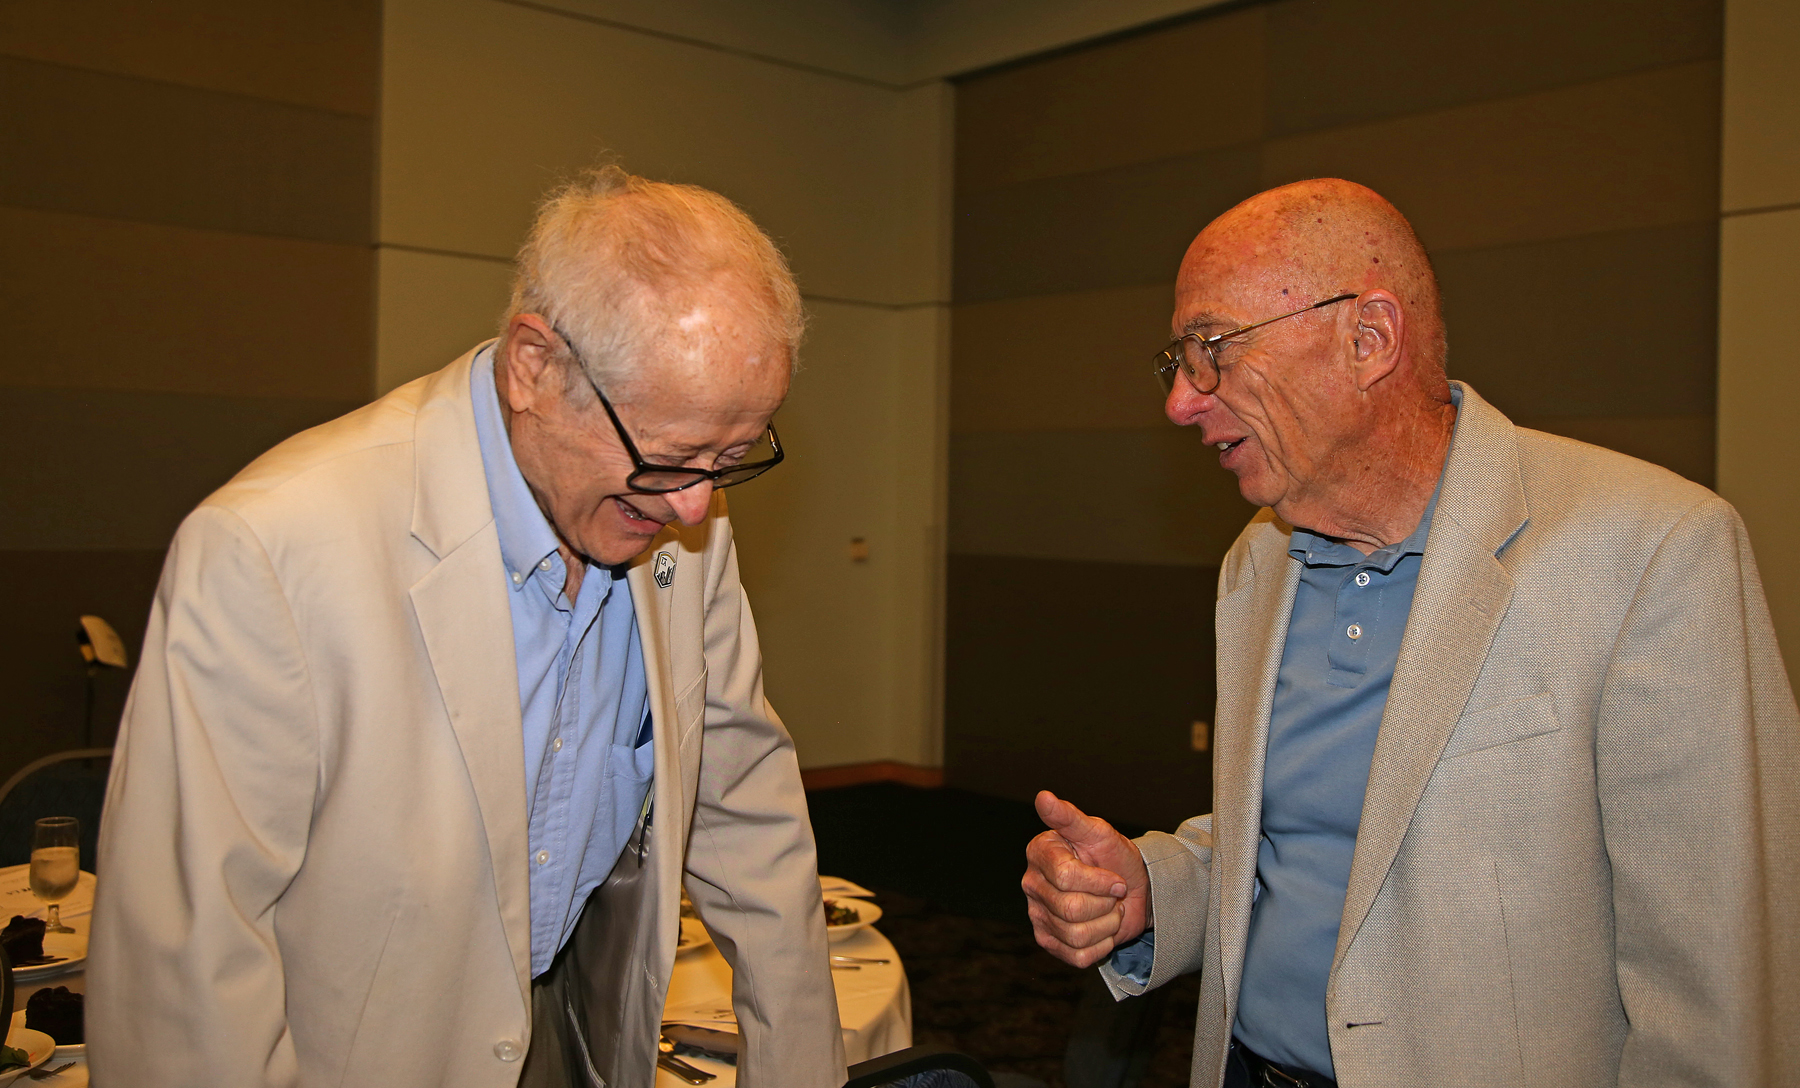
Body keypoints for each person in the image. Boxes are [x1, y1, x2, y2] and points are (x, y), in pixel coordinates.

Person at [1022, 178, 1799, 1088]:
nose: (1183, 403)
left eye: (1212, 351)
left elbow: (1720, 980)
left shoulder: (1651, 550)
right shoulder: (1258, 564)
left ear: (1368, 339)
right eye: (1180, 362)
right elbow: (1296, 846)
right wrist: (1158, 889)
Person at [89, 166, 847, 1088]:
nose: (694, 507)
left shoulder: (679, 525)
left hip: (564, 1033)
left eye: (730, 459)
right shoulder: (271, 548)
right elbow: (185, 963)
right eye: (671, 456)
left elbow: (746, 805)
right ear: (535, 366)